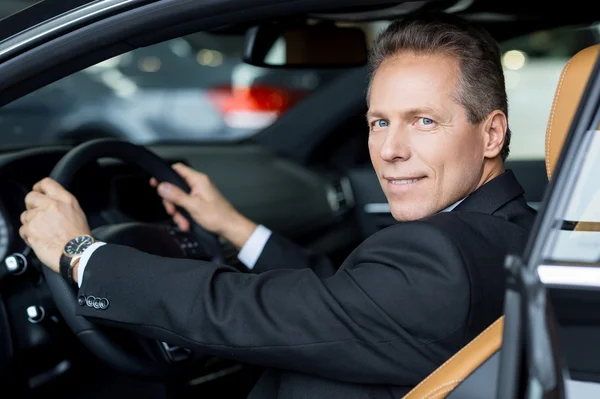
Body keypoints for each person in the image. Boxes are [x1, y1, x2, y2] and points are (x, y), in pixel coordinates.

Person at [18, 12, 536, 399]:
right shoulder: (514, 231)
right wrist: (234, 227)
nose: (390, 149)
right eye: (380, 121)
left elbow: (248, 312)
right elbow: (347, 305)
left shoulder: (447, 257)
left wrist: (80, 254)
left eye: (423, 120)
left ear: (491, 133)